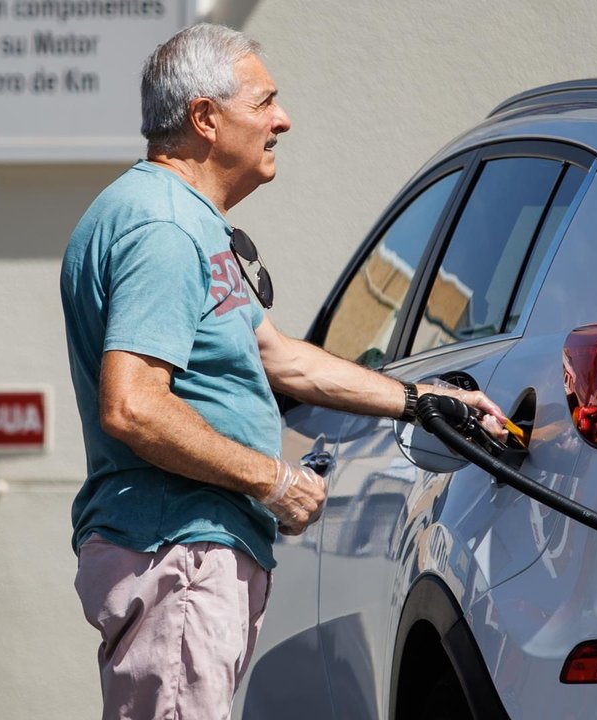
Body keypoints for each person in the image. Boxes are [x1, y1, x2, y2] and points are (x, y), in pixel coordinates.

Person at [60, 23, 507, 719]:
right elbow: (134, 406)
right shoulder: (163, 230)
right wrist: (273, 481)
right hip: (179, 549)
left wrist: (419, 399)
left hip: (191, 550)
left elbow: (277, 356)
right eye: (264, 102)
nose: (283, 119)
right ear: (205, 119)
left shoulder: (184, 222)